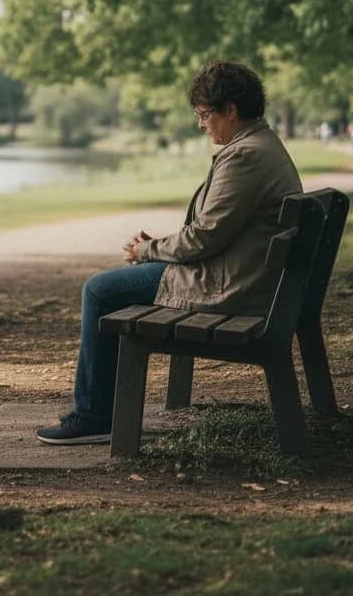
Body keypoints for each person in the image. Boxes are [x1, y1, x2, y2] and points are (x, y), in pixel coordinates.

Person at [36, 60, 301, 445]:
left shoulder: (245, 156)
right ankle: (97, 412)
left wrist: (147, 250)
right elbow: (216, 230)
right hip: (245, 276)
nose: (201, 124)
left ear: (231, 110)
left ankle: (95, 416)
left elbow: (205, 238)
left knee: (99, 291)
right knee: (110, 285)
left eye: (204, 114)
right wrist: (157, 248)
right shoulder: (263, 144)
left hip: (229, 287)